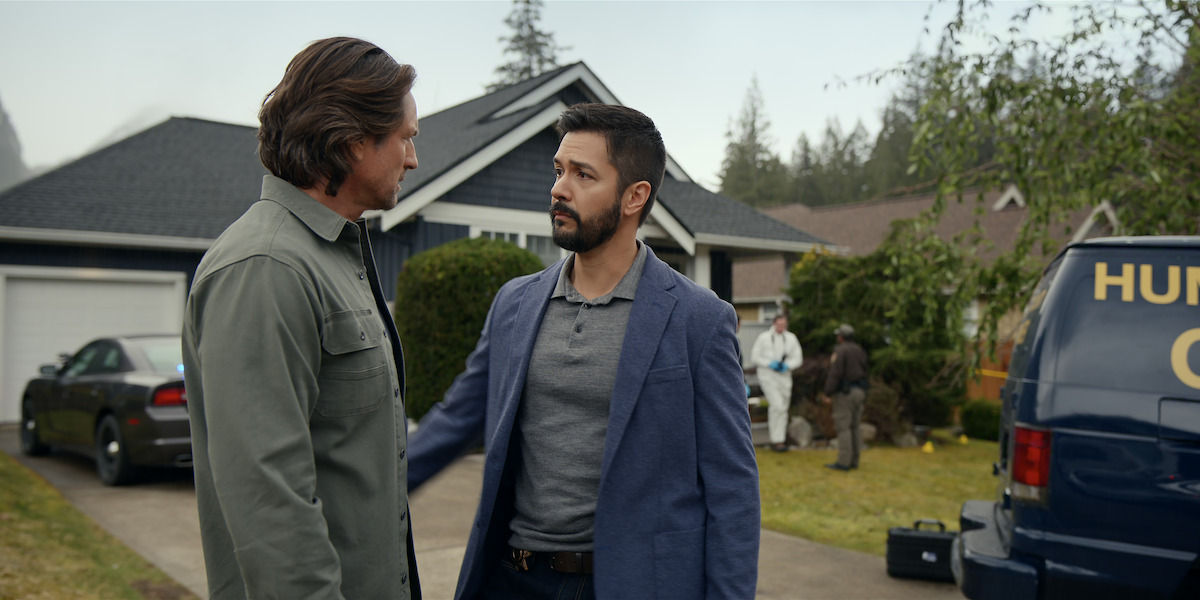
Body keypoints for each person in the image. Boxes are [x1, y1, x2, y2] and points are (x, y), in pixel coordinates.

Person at [407, 103, 760, 600]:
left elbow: (733, 488)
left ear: (635, 196)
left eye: (582, 174)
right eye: (558, 170)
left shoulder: (699, 319)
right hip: (513, 579)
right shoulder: (515, 302)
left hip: (631, 584)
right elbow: (457, 419)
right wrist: (375, 489)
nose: (559, 188)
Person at [181, 37, 422, 599]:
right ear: (353, 141)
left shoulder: (332, 256)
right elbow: (268, 497)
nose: (413, 158)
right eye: (406, 138)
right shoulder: (266, 266)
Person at [751, 313, 803, 452]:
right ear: (774, 323)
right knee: (777, 406)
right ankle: (776, 440)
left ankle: (781, 439)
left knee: (783, 408)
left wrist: (787, 365)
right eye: (779, 324)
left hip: (784, 376)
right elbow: (755, 357)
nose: (781, 327)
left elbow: (798, 358)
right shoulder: (764, 338)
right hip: (768, 376)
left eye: (784, 324)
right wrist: (769, 363)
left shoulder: (791, 338)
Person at [822, 323, 870, 471]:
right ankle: (854, 460)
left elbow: (835, 374)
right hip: (860, 392)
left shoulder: (841, 351)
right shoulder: (859, 350)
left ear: (841, 337)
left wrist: (828, 392)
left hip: (846, 393)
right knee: (855, 426)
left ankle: (843, 462)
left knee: (843, 427)